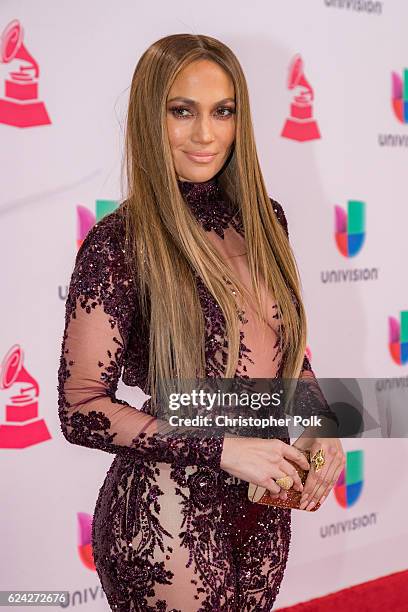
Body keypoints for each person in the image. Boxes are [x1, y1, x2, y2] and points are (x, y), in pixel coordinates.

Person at [57, 34, 345, 612]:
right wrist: (221, 447)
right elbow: (81, 407)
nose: (205, 134)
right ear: (149, 116)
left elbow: (286, 352)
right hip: (166, 515)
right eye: (181, 111)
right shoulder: (120, 242)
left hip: (262, 502)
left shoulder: (267, 221)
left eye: (223, 111)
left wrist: (320, 422)